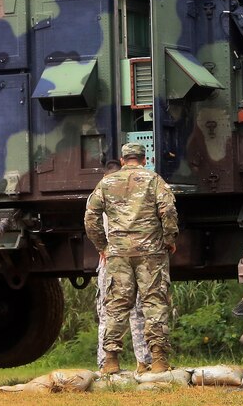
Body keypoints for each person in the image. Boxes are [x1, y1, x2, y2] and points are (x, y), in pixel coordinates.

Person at [84, 142, 177, 374]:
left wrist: (102, 246)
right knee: (154, 302)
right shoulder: (154, 180)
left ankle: (111, 361)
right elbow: (168, 210)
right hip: (151, 253)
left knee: (116, 305)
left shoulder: (106, 183)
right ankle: (158, 361)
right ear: (144, 160)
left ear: (123, 160)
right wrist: (169, 239)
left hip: (118, 253)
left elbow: (90, 217)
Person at [95, 159, 152, 373]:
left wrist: (102, 248)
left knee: (108, 312)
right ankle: (144, 362)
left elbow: (91, 223)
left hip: (111, 260)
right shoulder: (138, 192)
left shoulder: (101, 193)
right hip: (138, 259)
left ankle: (106, 363)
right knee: (139, 310)